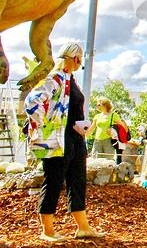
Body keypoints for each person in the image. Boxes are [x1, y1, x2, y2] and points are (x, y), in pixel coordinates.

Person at [24, 42, 104, 242]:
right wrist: (46, 123)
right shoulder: (56, 77)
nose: (79, 64)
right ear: (74, 58)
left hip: (75, 139)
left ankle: (83, 227)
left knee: (77, 181)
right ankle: (47, 230)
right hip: (59, 141)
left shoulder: (70, 79)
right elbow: (32, 101)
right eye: (78, 60)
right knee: (54, 181)